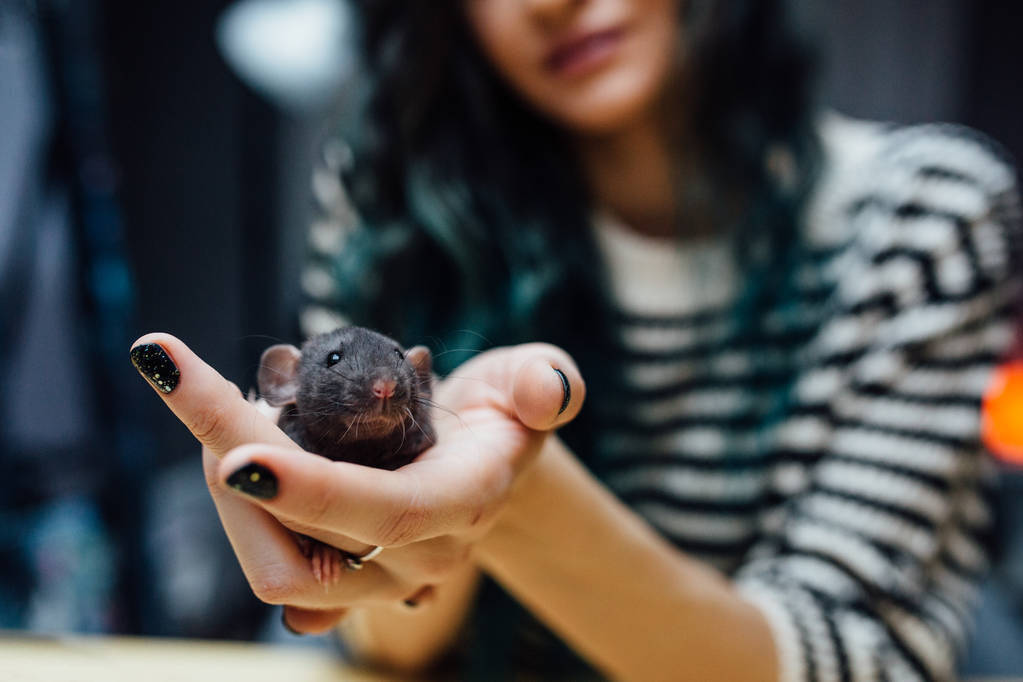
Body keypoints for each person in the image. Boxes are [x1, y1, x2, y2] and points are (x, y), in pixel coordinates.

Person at [130, 0, 1021, 679]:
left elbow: (854, 656)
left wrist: (511, 491)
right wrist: (383, 541)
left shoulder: (924, 218)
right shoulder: (387, 194)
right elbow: (385, 641)